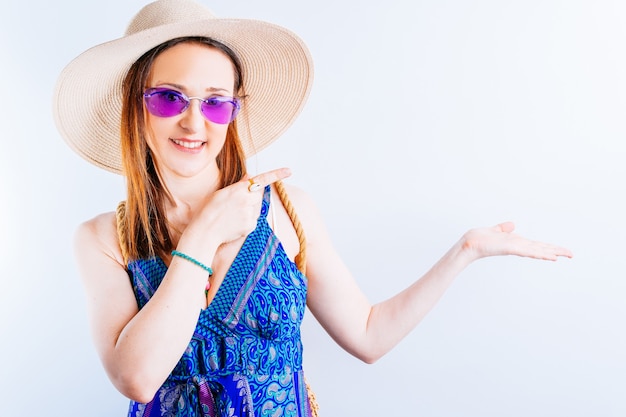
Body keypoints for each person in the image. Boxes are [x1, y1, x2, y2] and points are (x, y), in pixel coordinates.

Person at [53, 0, 573, 416]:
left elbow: (369, 335)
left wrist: (466, 250)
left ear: (234, 112)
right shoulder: (104, 238)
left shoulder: (285, 210)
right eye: (169, 98)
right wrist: (203, 234)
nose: (194, 123)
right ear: (135, 106)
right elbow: (137, 378)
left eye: (215, 101)